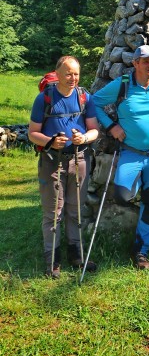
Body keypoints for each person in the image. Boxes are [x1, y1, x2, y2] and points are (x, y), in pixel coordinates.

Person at [93, 45, 149, 270]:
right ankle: (139, 224)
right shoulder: (123, 85)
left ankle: (141, 250)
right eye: (146, 61)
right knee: (123, 195)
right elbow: (94, 102)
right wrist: (111, 126)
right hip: (131, 153)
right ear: (135, 63)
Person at [28, 56, 100, 279]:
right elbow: (33, 133)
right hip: (52, 160)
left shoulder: (84, 97)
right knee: (53, 212)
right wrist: (50, 141)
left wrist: (84, 138)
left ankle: (76, 255)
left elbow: (94, 129)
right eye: (68, 73)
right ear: (57, 74)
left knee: (75, 209)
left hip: (79, 159)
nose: (73, 78)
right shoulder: (45, 98)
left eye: (76, 73)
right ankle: (52, 260)